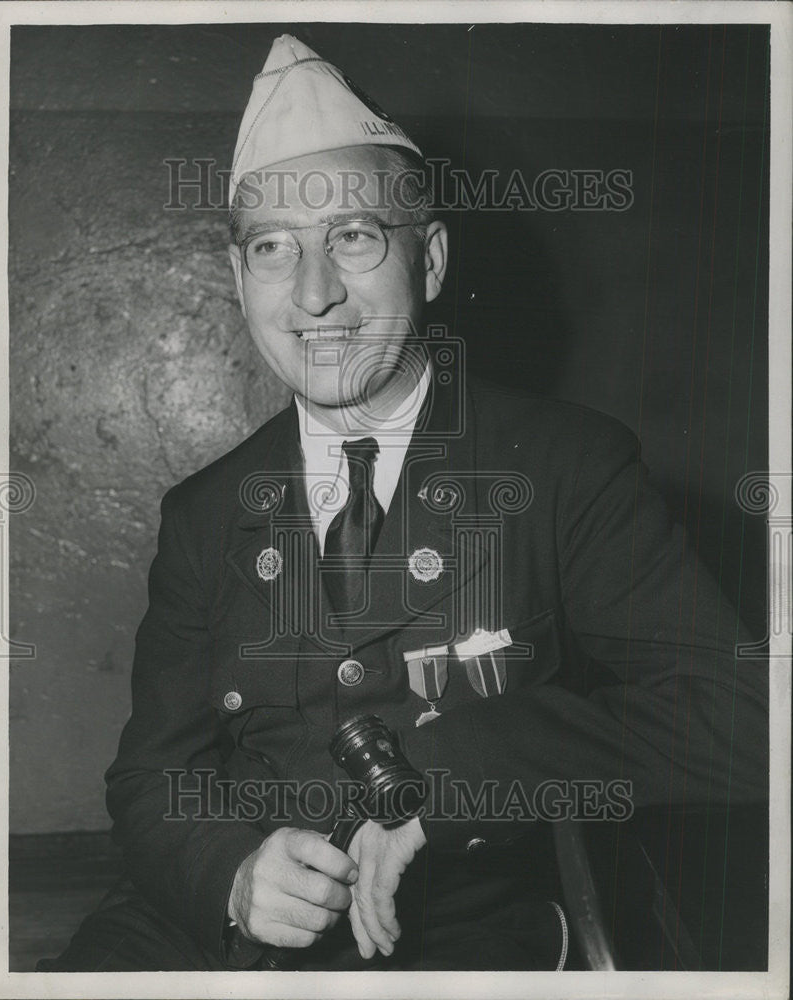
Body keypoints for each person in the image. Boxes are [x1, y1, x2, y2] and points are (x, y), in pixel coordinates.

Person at [39, 34, 767, 973]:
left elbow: (747, 720)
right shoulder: (206, 514)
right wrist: (224, 872)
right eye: (273, 248)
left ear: (427, 261)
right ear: (237, 281)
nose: (314, 293)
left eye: (353, 236)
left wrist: (453, 777)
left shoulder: (561, 469)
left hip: (450, 932)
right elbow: (152, 776)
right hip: (197, 937)